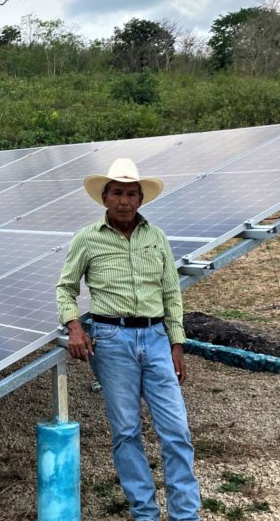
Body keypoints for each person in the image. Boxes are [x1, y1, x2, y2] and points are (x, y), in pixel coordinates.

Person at [56, 158, 201, 521]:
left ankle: (185, 514)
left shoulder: (157, 237)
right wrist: (75, 326)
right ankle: (144, 512)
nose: (124, 200)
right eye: (117, 193)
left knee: (176, 429)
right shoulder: (87, 238)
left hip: (155, 337)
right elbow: (65, 289)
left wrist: (177, 344)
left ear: (141, 199)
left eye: (131, 194)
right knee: (125, 431)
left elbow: (172, 294)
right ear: (104, 198)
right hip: (111, 338)